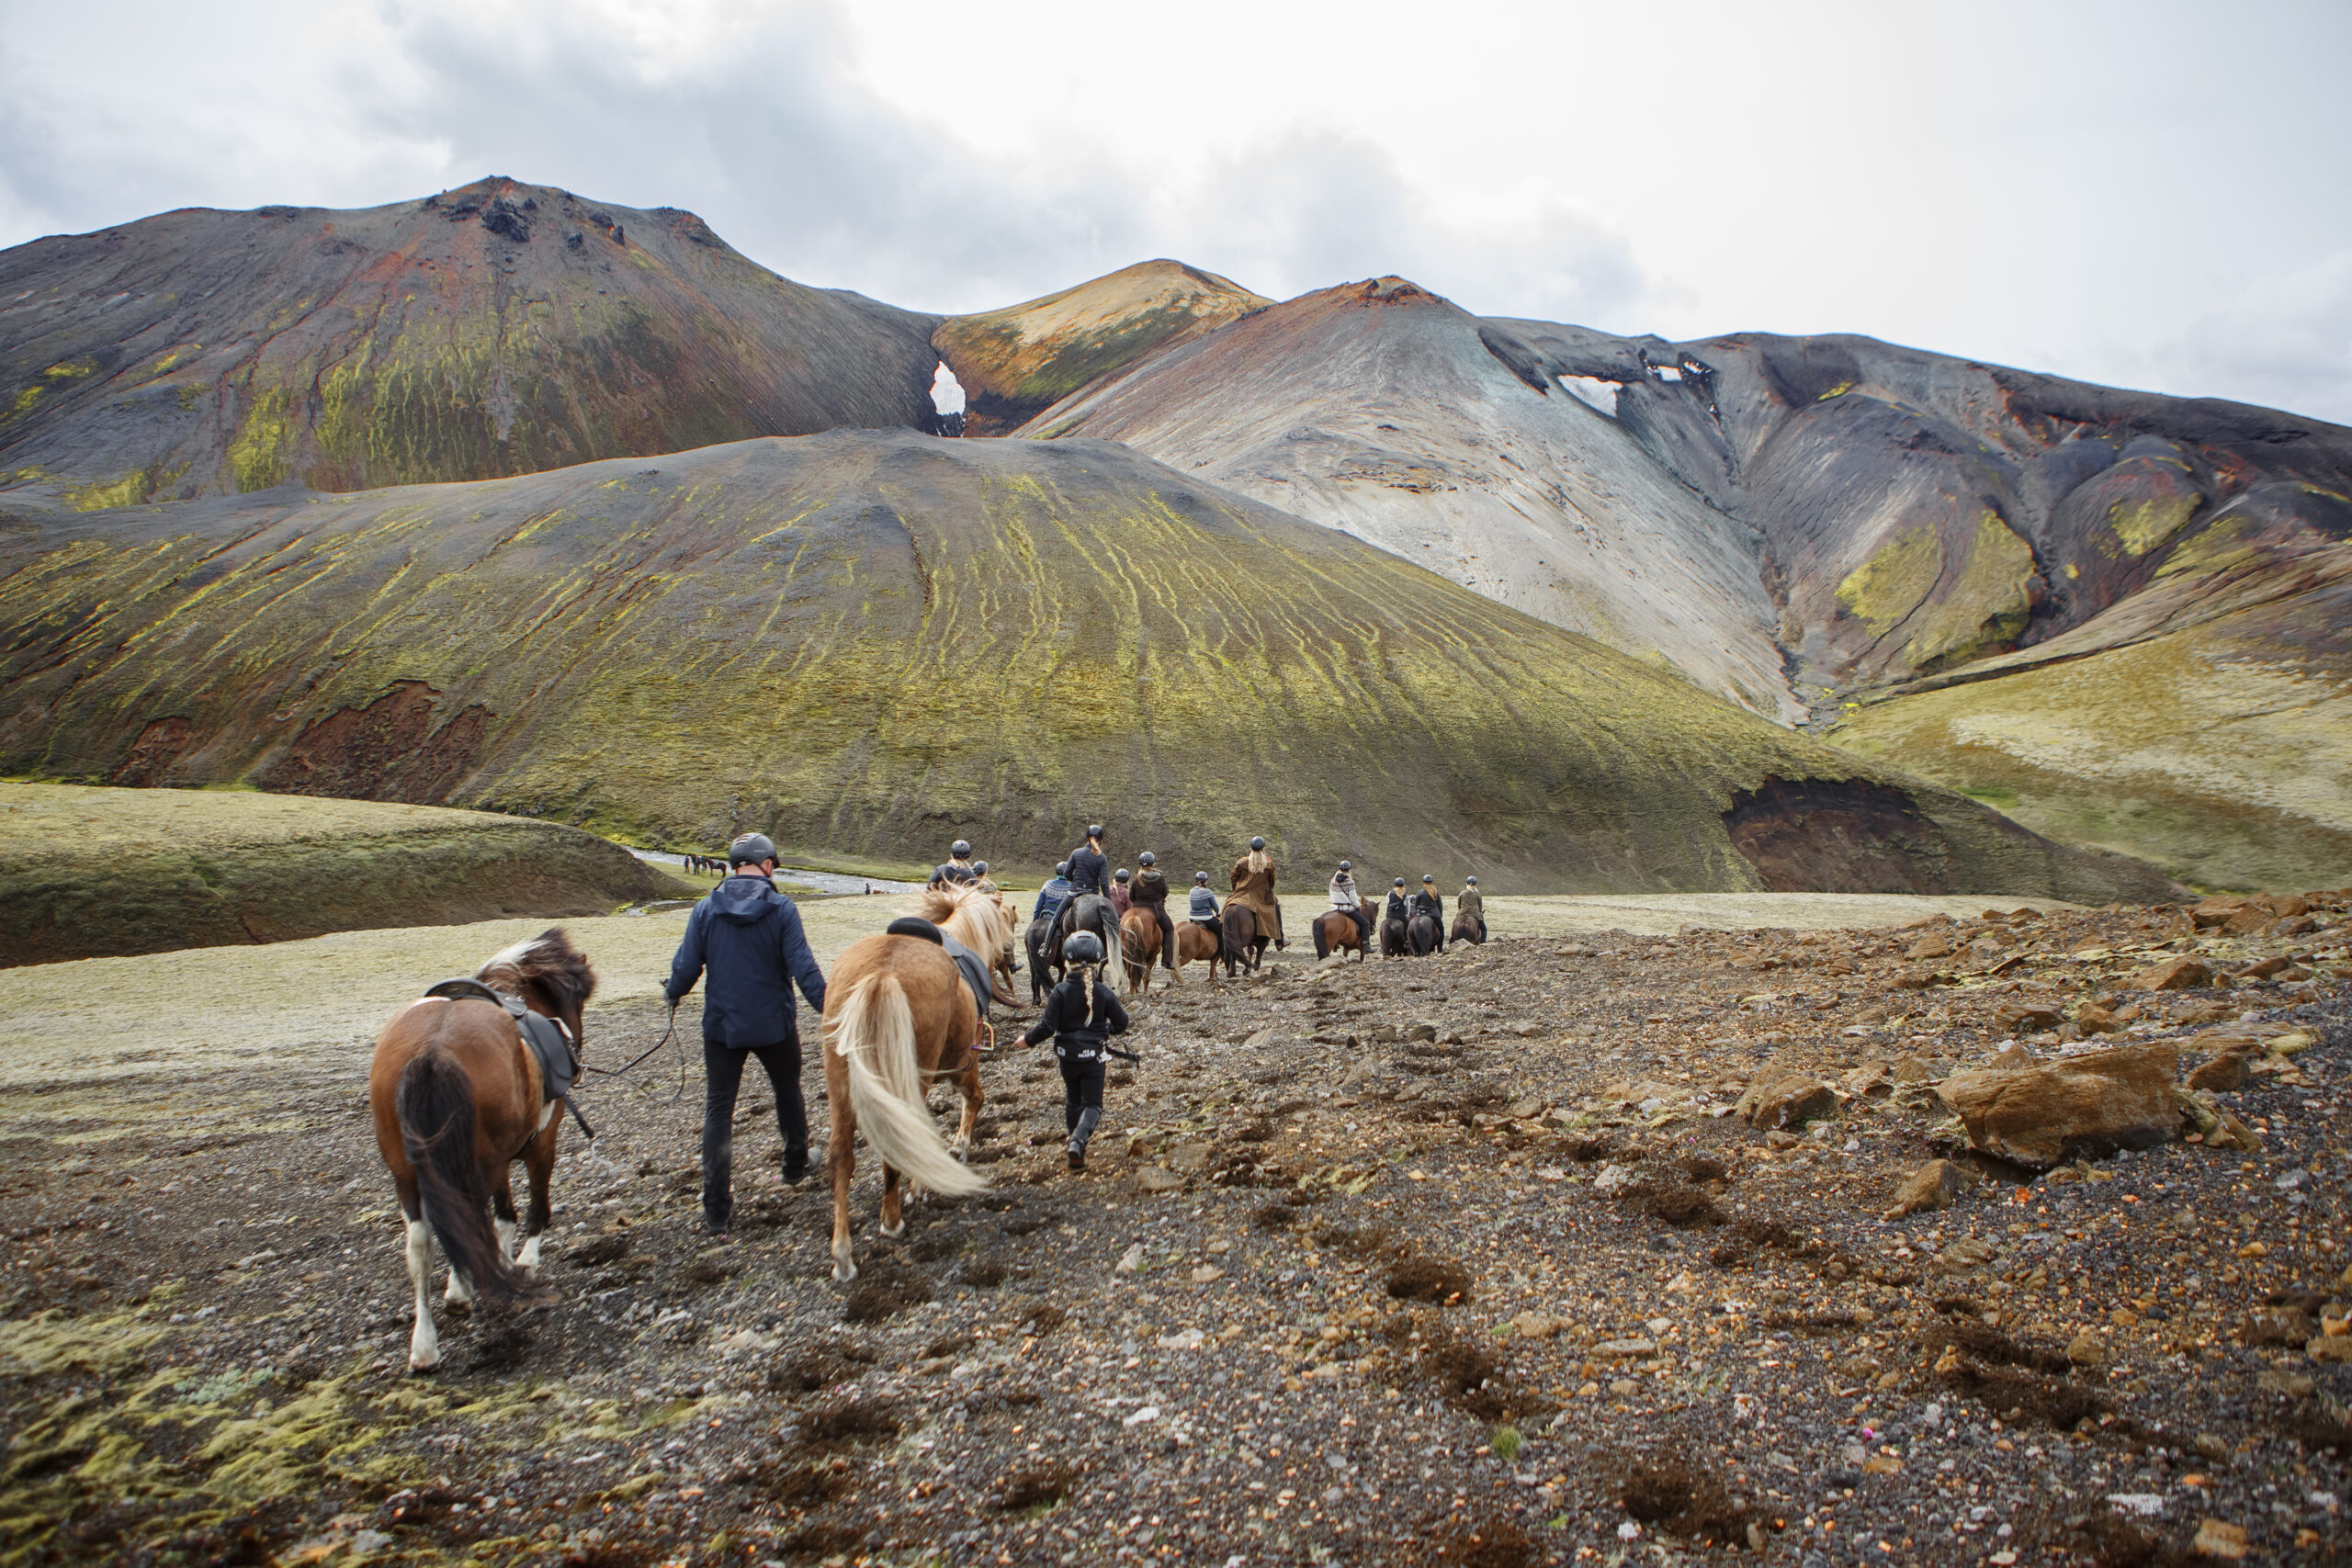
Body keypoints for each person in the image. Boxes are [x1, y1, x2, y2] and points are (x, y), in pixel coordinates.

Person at [663, 833, 827, 1235]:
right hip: (774, 1024)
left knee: (719, 1107)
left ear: (735, 866)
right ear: (767, 864)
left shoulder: (705, 909)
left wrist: (672, 992)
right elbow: (803, 967)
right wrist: (831, 1007)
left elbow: (687, 967)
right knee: (787, 1088)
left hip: (722, 1026)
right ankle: (794, 1165)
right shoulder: (782, 908)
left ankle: (716, 1208)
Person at [1022, 931, 1130, 1171]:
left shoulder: (1059, 991)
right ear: (1099, 962)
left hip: (1066, 1058)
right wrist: (1105, 1029)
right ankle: (1078, 1141)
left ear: (1065, 962)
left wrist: (1027, 1040)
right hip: (1093, 1060)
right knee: (1093, 1105)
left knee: (1072, 1100)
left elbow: (1047, 1027)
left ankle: (1075, 1147)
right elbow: (1122, 1023)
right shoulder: (1103, 992)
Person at [1227, 835, 1285, 951]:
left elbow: (1233, 877)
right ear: (1263, 849)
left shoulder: (1241, 862)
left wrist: (1237, 890)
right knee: (1275, 907)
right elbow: (1271, 882)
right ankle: (1279, 941)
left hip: (1241, 894)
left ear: (1251, 848)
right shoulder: (1268, 864)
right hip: (1260, 896)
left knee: (1226, 908)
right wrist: (1267, 891)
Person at [1132, 852, 1177, 971]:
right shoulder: (1160, 878)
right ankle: (1167, 960)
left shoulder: (1137, 878)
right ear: (1153, 863)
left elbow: (1131, 896)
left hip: (1138, 907)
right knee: (1169, 929)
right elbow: (1165, 893)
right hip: (1156, 909)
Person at [1329, 859, 1371, 947]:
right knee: (1365, 923)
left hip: (1335, 908)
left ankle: (1335, 943)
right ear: (1349, 870)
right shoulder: (1350, 882)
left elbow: (1331, 894)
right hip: (1347, 909)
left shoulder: (1333, 880)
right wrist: (1357, 906)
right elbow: (1353, 898)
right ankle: (1366, 945)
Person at [1186, 871, 1223, 957]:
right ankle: (1220, 953)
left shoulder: (1191, 891)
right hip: (1206, 918)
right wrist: (1218, 913)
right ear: (1205, 881)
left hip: (1192, 917)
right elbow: (1215, 906)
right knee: (1222, 931)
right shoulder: (1208, 892)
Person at [1068, 825, 1109, 898]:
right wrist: (1108, 900)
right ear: (1100, 840)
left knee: (1060, 907)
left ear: (1087, 838)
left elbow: (1066, 874)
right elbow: (1104, 883)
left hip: (1075, 891)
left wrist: (1076, 881)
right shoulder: (1102, 858)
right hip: (1093, 893)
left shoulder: (1076, 852)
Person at [1033, 862, 1075, 931]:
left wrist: (1034, 922)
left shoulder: (1048, 884)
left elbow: (1038, 907)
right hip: (1061, 920)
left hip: (1045, 917)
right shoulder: (1071, 887)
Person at [1411, 874, 1445, 949]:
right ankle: (1440, 948)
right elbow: (1440, 905)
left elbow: (1416, 904)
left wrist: (1418, 912)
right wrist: (1440, 915)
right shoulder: (1435, 892)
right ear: (1431, 882)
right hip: (1434, 914)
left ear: (1423, 882)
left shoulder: (1420, 892)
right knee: (1441, 929)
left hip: (1422, 913)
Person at [1383, 877, 1412, 942]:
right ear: (1403, 886)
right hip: (1401, 917)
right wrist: (1407, 916)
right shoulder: (1406, 896)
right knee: (1409, 927)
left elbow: (1387, 904)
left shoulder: (1389, 893)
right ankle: (1407, 941)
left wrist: (1387, 915)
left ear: (1395, 885)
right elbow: (1408, 909)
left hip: (1390, 916)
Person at [1459, 875, 1487, 941]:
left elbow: (1459, 904)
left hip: (1462, 912)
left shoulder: (1462, 893)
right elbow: (1480, 906)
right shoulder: (1478, 894)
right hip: (1475, 914)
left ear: (1466, 883)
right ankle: (1483, 943)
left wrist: (1460, 912)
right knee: (1484, 929)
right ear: (1475, 884)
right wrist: (1480, 913)